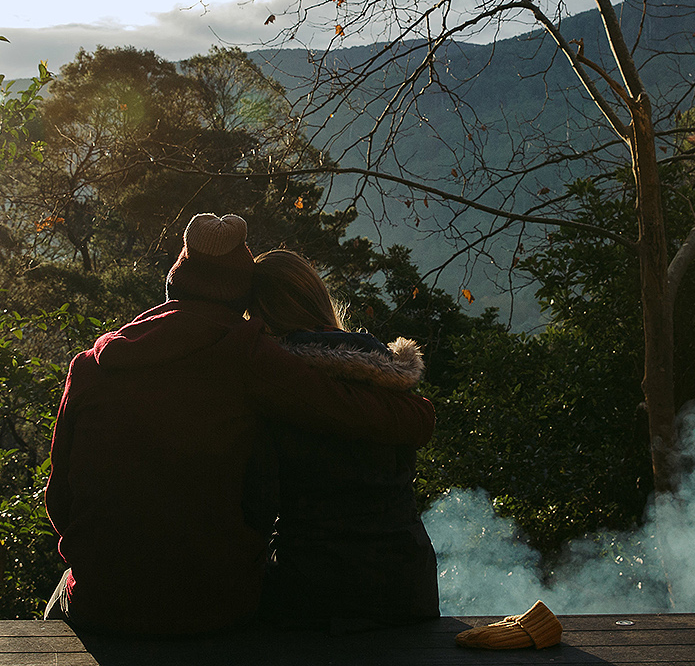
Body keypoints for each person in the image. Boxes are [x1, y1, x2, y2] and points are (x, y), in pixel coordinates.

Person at [43, 214, 435, 635]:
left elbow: (59, 497)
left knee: (57, 606)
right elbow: (361, 413)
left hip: (101, 598)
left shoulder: (90, 365)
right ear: (242, 299)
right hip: (216, 602)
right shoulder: (248, 355)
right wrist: (415, 409)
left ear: (173, 282)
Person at [247, 249, 440, 627]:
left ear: (261, 312)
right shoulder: (388, 372)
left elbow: (256, 500)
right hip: (406, 581)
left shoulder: (275, 381)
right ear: (317, 297)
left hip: (313, 586)